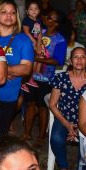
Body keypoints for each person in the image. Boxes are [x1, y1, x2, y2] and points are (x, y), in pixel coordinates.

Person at [0, 1, 34, 135]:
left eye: (12, 12)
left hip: (8, 95)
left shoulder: (23, 40)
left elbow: (26, 69)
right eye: (4, 12)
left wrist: (2, 69)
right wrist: (9, 69)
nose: (9, 16)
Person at [48, 47, 86, 170]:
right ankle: (63, 168)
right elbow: (53, 104)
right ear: (70, 61)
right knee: (56, 138)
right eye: (76, 57)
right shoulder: (61, 78)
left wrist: (79, 126)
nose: (79, 60)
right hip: (63, 117)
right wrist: (67, 124)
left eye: (82, 57)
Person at [24, 10, 67, 141]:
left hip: (46, 78)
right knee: (30, 105)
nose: (46, 19)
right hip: (32, 76)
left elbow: (57, 60)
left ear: (56, 23)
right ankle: (26, 133)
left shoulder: (60, 39)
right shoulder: (40, 33)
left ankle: (41, 137)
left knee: (43, 108)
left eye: (50, 18)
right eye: (47, 17)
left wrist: (37, 59)